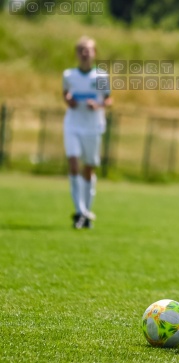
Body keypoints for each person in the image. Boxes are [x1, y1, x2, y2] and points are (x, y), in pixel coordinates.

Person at [62, 36, 112, 229]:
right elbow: (65, 93)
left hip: (93, 127)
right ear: (76, 53)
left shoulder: (100, 77)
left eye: (88, 50)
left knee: (88, 169)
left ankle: (86, 212)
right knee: (73, 163)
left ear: (94, 53)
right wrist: (69, 100)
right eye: (81, 49)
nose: (84, 53)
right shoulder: (69, 75)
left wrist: (97, 105)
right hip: (73, 124)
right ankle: (80, 211)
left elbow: (108, 100)